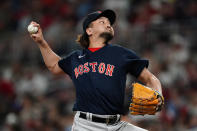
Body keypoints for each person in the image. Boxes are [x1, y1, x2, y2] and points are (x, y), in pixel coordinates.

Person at [29, 9, 163, 131]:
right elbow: (54, 66)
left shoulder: (121, 54)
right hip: (85, 125)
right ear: (89, 31)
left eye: (109, 22)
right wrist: (41, 42)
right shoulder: (76, 58)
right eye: (102, 22)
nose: (108, 24)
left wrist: (157, 94)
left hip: (116, 125)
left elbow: (150, 78)